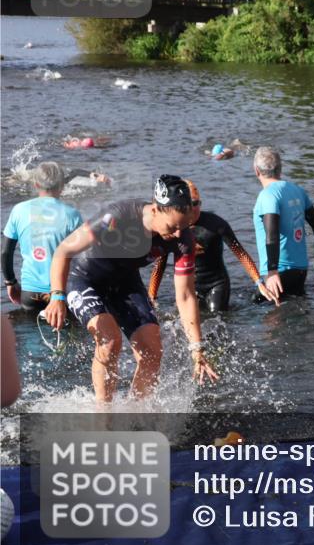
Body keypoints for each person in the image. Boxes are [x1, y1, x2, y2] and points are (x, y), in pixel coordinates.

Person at [43, 175, 218, 405]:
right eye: (172, 226)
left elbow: (185, 295)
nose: (177, 234)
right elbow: (63, 250)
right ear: (155, 209)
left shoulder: (182, 238)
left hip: (124, 282)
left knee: (153, 350)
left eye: (183, 227)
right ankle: (103, 417)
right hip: (85, 278)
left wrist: (197, 348)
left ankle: (135, 415)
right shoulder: (117, 216)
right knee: (109, 341)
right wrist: (57, 296)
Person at [148, 180, 278, 312]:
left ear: (201, 203)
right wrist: (152, 296)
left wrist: (259, 282)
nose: (193, 209)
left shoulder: (216, 224)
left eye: (196, 203)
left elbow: (240, 253)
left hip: (216, 283)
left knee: (218, 319)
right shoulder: (172, 229)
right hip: (188, 284)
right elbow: (160, 263)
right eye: (189, 205)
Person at [3, 163, 84, 312]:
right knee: (68, 333)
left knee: (32, 332)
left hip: (30, 293)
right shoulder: (72, 215)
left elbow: (6, 252)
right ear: (62, 186)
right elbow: (84, 257)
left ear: (36, 184)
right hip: (61, 292)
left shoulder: (19, 210)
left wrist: (10, 282)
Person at [251, 147, 314, 300]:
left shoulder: (267, 196)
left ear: (256, 171)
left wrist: (272, 271)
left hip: (278, 272)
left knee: (265, 315)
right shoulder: (297, 190)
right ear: (280, 169)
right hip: (300, 271)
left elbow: (272, 234)